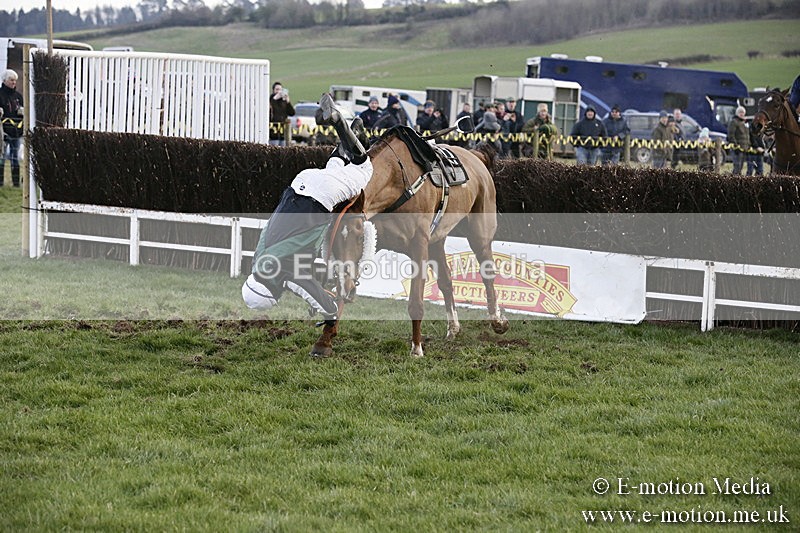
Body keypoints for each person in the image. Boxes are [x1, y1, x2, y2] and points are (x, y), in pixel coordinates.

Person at [242, 93, 371, 326]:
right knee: (335, 167)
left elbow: (316, 297)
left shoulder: (284, 275)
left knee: (364, 168)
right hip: (299, 184)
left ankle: (340, 123)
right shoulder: (259, 259)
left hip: (320, 198)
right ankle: (350, 136)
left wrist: (329, 313)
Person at [0, 69, 24, 187]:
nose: (14, 82)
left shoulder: (18, 96)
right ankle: (0, 183)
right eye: (11, 80)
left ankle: (15, 184)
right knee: (2, 158)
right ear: (4, 81)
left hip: (16, 132)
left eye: (15, 80)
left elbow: (24, 110)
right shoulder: (0, 95)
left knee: (15, 158)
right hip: (3, 132)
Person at [269, 81, 295, 146]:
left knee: (283, 151)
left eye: (280, 89)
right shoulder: (271, 100)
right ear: (273, 90)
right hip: (273, 132)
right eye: (277, 89)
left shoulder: (283, 101)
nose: (279, 91)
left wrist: (288, 102)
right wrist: (275, 99)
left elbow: (292, 113)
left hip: (283, 132)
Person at [727, 106, 750, 175]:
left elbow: (747, 135)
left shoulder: (744, 123)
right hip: (737, 149)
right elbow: (731, 135)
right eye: (740, 112)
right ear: (737, 113)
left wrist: (748, 145)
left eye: (743, 112)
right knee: (737, 167)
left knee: (740, 168)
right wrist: (736, 146)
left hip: (744, 149)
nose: (742, 114)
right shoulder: (734, 122)